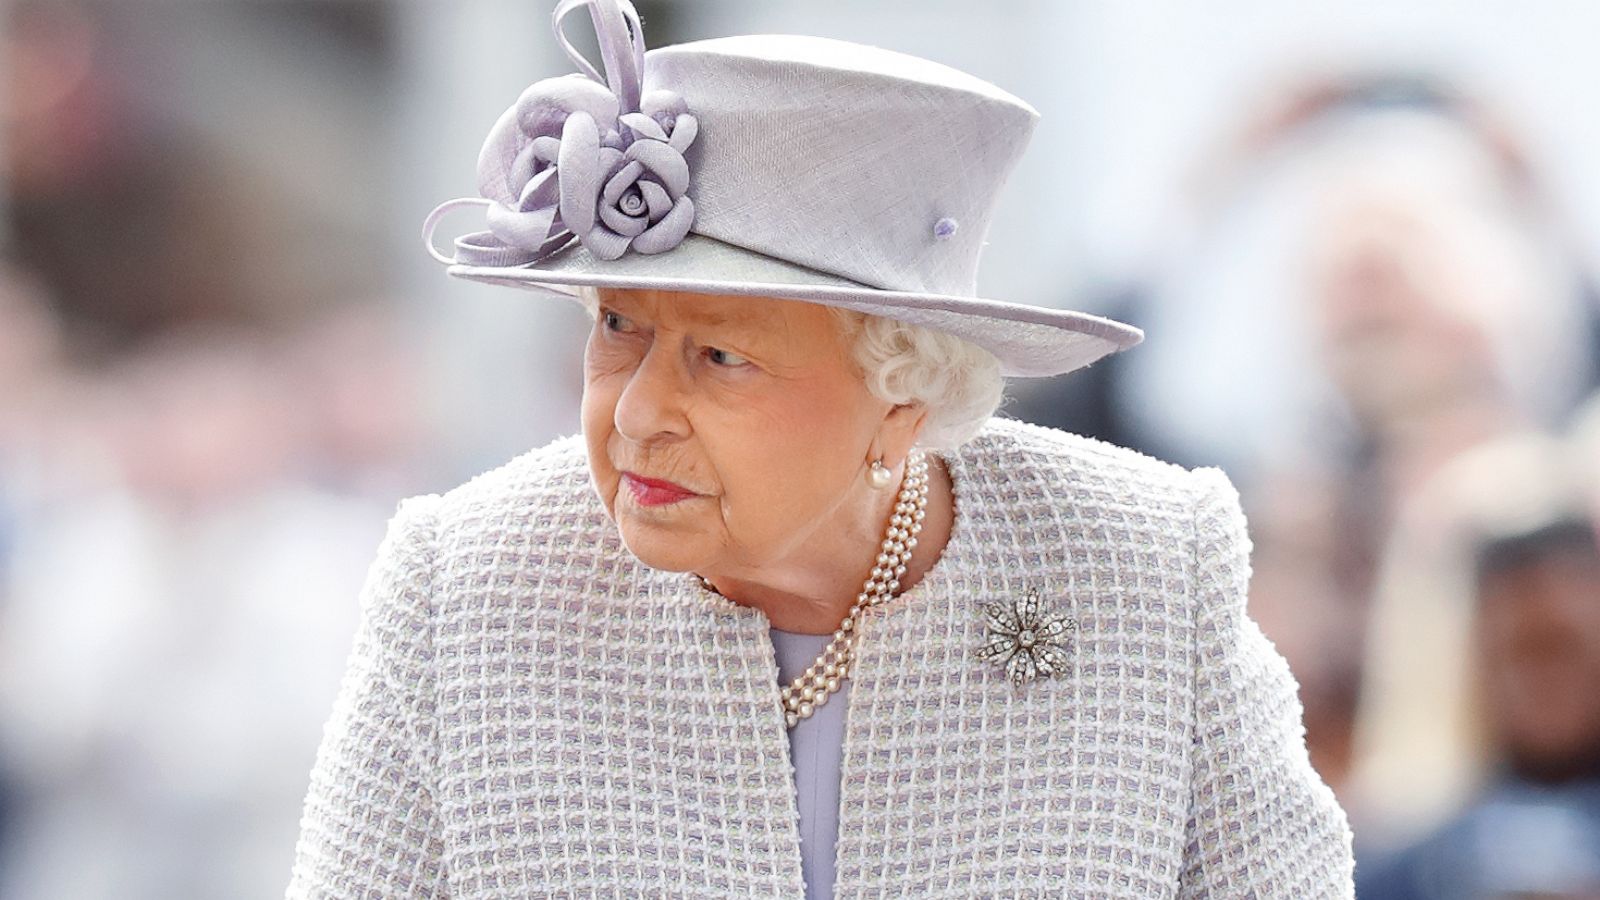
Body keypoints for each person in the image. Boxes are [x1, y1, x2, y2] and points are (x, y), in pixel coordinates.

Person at [287, 1, 1355, 896]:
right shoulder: (461, 581)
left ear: (902, 396)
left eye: (719, 357)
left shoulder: (1146, 562)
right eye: (619, 327)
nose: (634, 413)